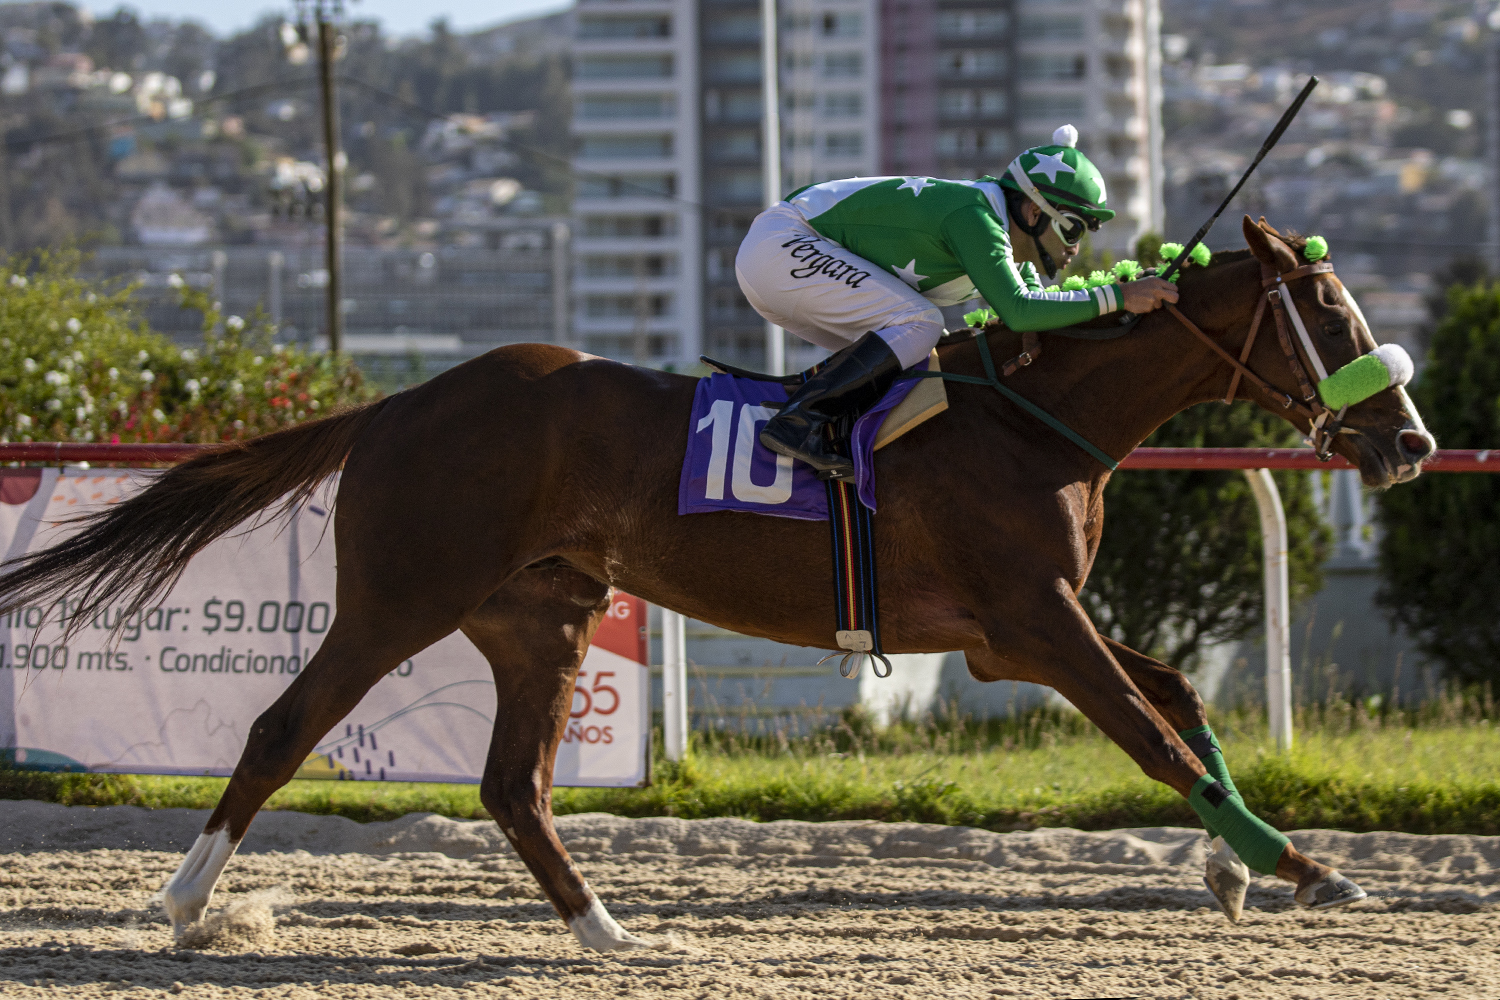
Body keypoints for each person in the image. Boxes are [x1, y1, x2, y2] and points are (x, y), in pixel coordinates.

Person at [735, 124, 1179, 477]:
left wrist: (1125, 301)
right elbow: (1020, 312)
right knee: (923, 324)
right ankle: (797, 423)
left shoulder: (1007, 245)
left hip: (779, 263)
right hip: (784, 244)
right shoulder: (977, 218)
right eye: (1074, 229)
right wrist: (1120, 295)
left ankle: (835, 429)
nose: (1075, 249)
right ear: (1034, 212)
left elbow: (1043, 311)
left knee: (917, 353)